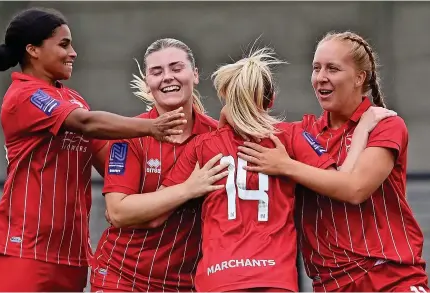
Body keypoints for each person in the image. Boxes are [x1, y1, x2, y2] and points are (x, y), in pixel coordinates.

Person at [0, 8, 188, 292]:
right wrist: (151, 127)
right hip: (23, 252)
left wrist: (171, 181)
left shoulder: (73, 99)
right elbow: (87, 123)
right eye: (64, 45)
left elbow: (111, 159)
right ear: (32, 50)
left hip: (73, 256)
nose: (74, 53)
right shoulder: (24, 96)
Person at [160, 47, 394, 292]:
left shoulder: (202, 146)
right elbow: (343, 180)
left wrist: (188, 188)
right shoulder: (290, 136)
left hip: (218, 280)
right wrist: (361, 130)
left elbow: (161, 206)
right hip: (274, 279)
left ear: (227, 98)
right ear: (270, 100)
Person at [237, 31, 429, 292]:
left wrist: (285, 166)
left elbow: (355, 189)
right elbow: (237, 118)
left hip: (388, 277)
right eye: (316, 68)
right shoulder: (302, 133)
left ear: (359, 78)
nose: (320, 77)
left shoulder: (386, 125)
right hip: (330, 285)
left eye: (333, 68)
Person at [89, 38, 227, 292]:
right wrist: (188, 189)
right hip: (121, 277)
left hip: (186, 283)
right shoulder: (129, 135)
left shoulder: (217, 135)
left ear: (195, 74)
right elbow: (119, 212)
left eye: (176, 68)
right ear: (147, 82)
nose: (167, 77)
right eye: (157, 71)